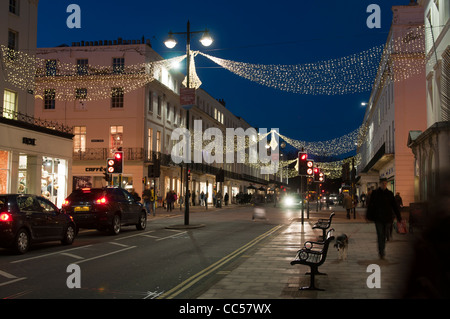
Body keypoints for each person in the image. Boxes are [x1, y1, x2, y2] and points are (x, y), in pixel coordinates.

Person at [366, 178, 402, 259]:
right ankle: (381, 251)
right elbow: (371, 205)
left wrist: (398, 216)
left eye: (385, 183)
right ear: (380, 184)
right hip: (378, 218)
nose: (384, 185)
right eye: (383, 183)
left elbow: (394, 206)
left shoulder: (389, 193)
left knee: (385, 235)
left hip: (387, 218)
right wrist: (368, 216)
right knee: (380, 234)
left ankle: (382, 249)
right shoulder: (375, 193)